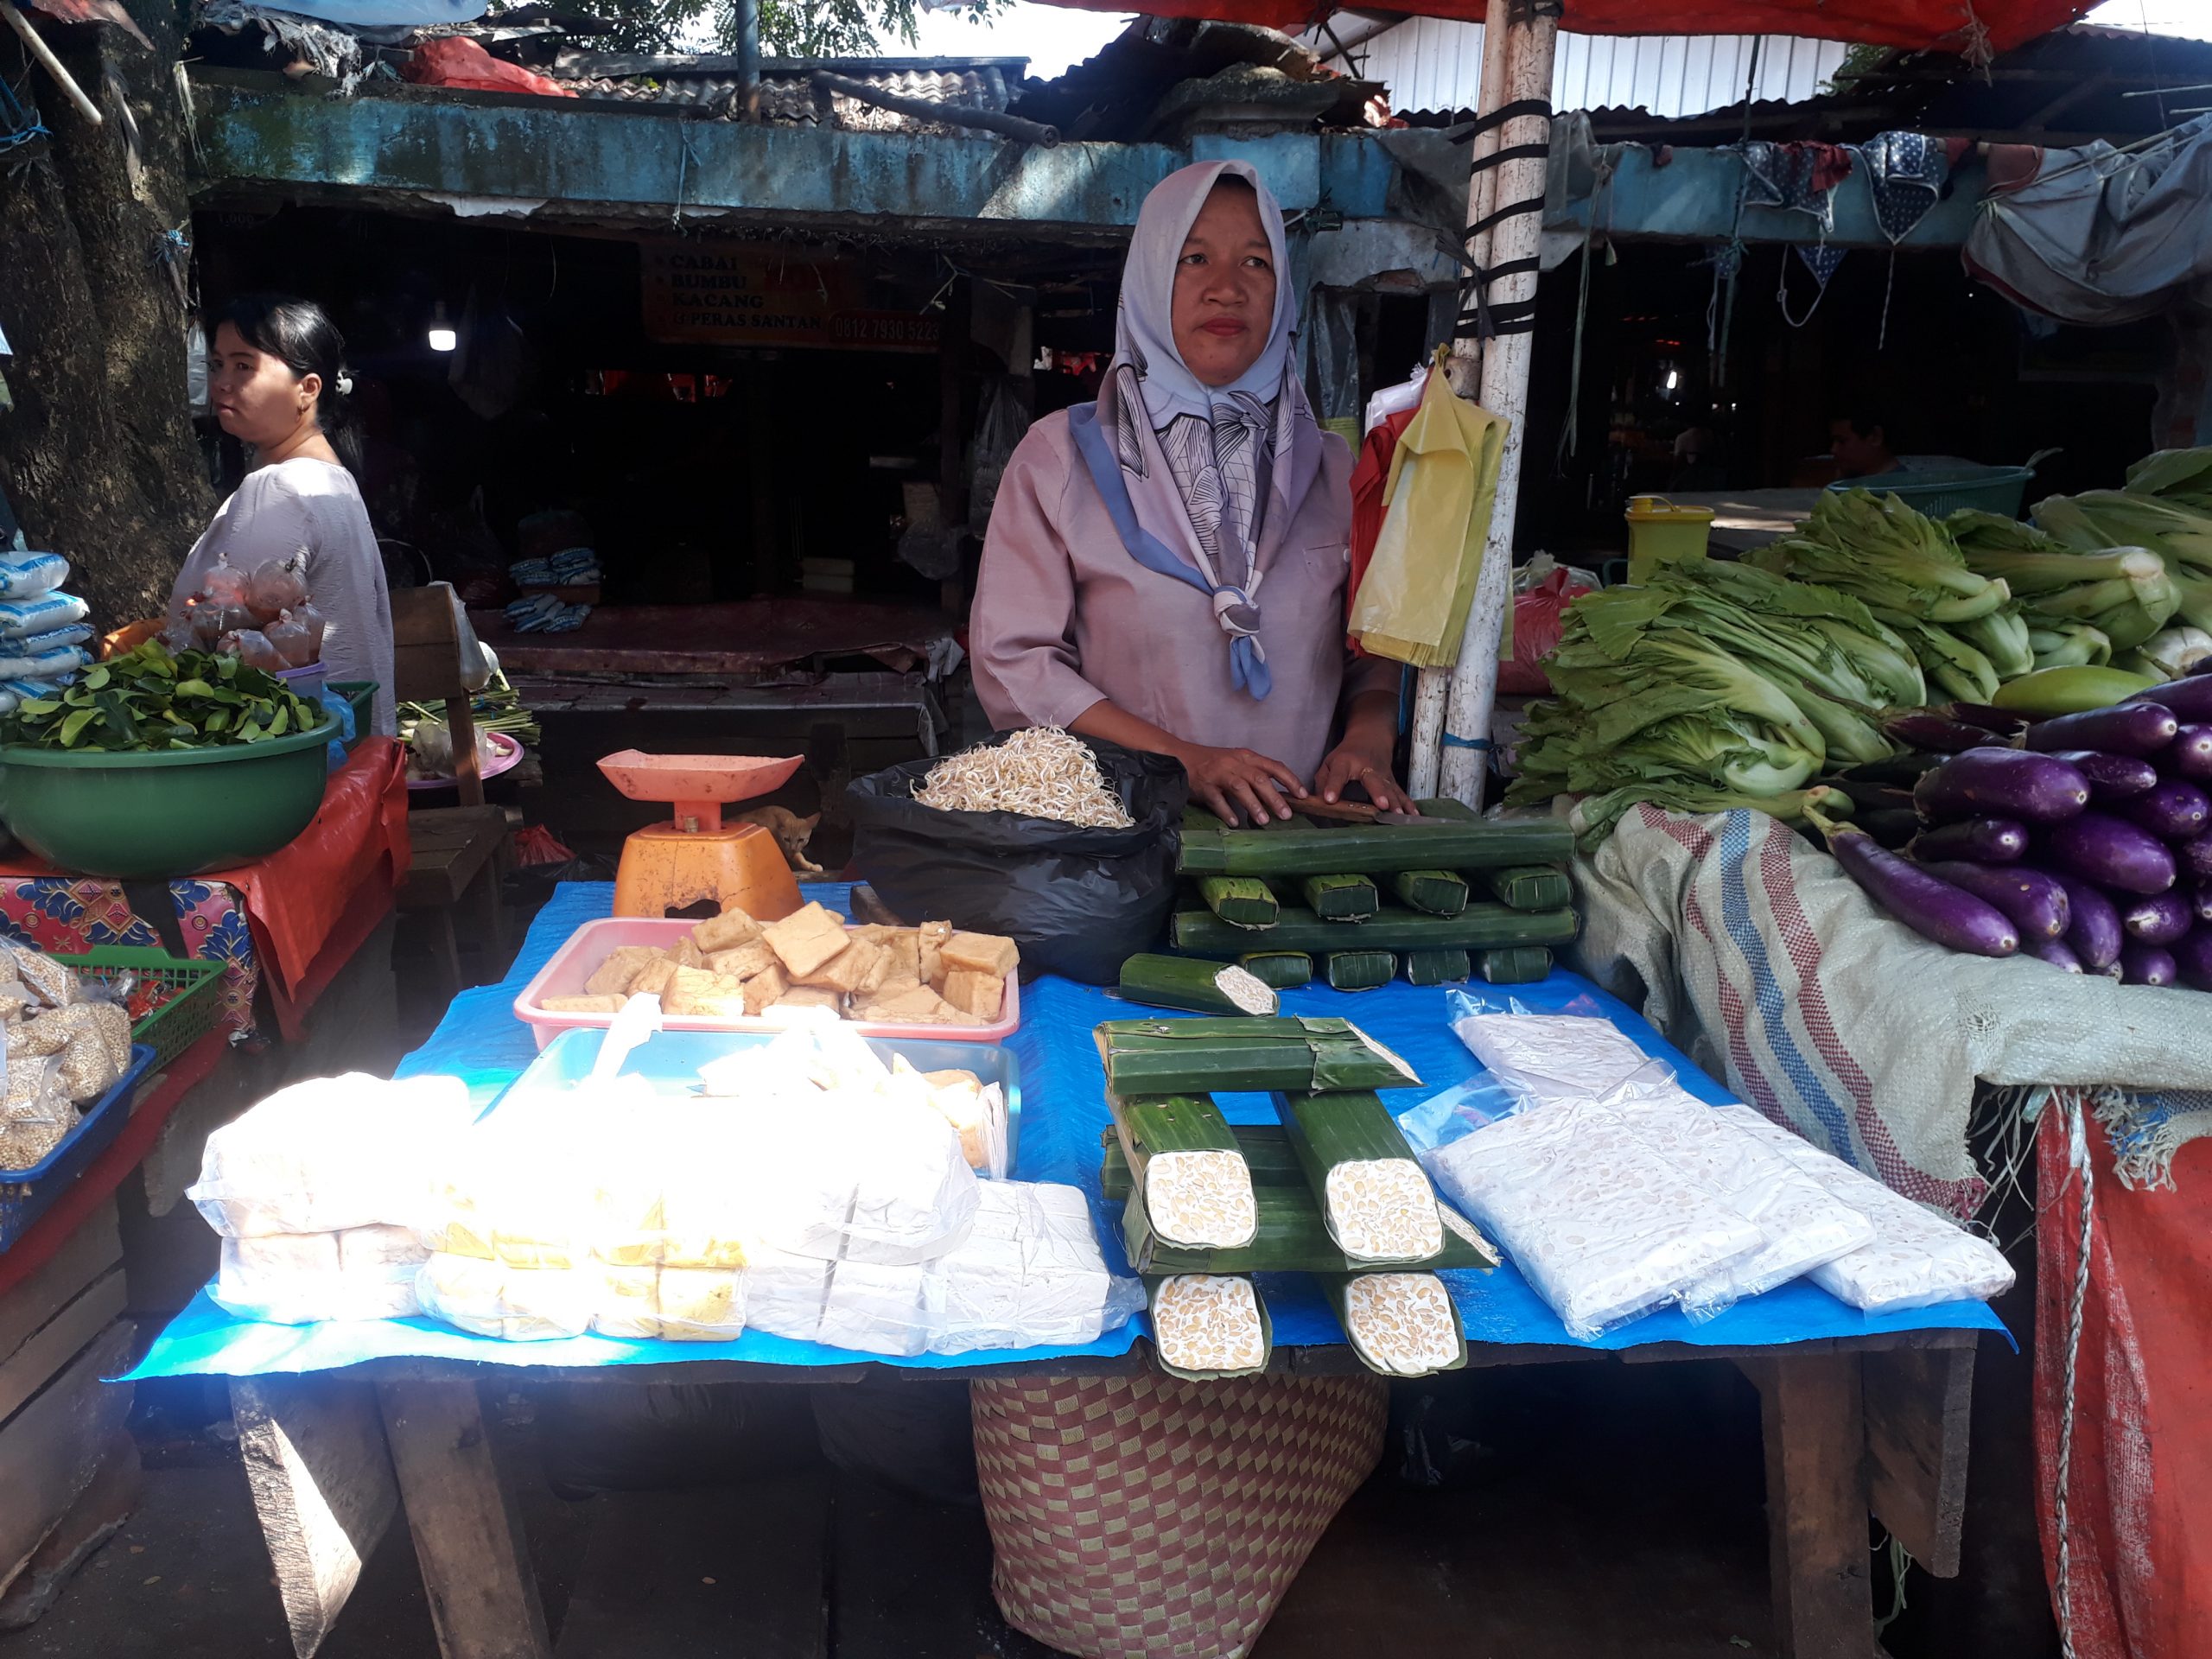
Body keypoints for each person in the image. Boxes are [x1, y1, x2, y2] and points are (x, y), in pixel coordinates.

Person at [969, 162, 1407, 827]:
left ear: (1284, 288)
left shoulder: (1334, 470)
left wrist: (1368, 738)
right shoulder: (1061, 461)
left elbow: (1376, 649)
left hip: (1305, 847)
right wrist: (1182, 760)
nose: (1226, 289)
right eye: (1193, 258)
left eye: (1256, 263)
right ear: (1147, 279)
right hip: (1120, 849)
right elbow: (1015, 665)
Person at [168, 296, 397, 736]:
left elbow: (237, 641)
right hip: (344, 756)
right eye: (217, 365)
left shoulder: (281, 489)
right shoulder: (332, 479)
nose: (221, 384)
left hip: (289, 764)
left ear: (307, 389)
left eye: (243, 366)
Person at [1827, 408, 1900, 480]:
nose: (1834, 449)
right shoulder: (1847, 478)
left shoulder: (1901, 488)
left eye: (1842, 441)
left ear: (1875, 437)